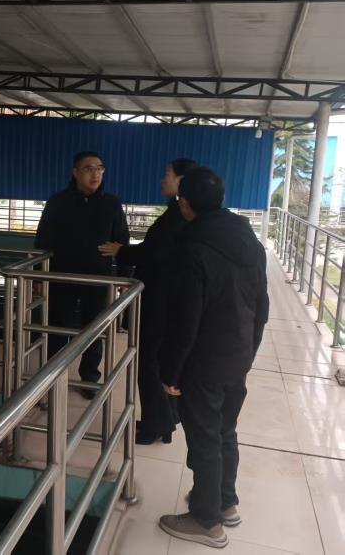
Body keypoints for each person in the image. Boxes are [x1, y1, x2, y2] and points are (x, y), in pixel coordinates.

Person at [156, 168, 269, 549]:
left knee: (205, 436)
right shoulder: (249, 241)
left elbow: (185, 321)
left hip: (204, 359)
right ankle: (225, 502)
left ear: (184, 203)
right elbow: (262, 305)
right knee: (224, 431)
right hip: (238, 353)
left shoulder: (194, 249)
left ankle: (206, 521)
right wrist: (249, 350)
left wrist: (171, 372)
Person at [98, 158, 198, 444]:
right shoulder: (181, 213)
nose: (162, 179)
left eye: (167, 174)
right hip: (166, 298)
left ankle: (157, 424)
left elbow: (154, 253)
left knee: (150, 363)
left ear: (182, 181)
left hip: (160, 301)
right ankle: (165, 418)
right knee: (160, 361)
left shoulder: (177, 216)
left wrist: (121, 251)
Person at [35, 151, 130, 399]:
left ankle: (89, 377)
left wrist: (124, 275)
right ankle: (53, 375)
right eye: (89, 168)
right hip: (62, 276)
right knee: (58, 328)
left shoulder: (111, 203)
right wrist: (38, 276)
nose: (95, 174)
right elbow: (43, 240)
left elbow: (122, 241)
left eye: (99, 168)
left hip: (98, 279)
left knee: (94, 329)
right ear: (75, 173)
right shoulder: (58, 202)